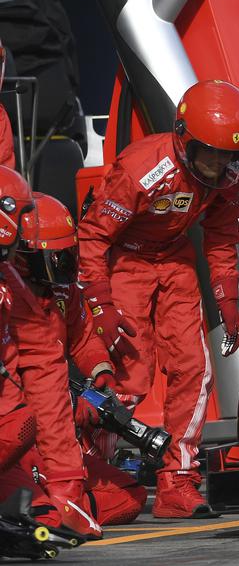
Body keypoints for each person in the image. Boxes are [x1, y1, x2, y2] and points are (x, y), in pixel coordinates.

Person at [77, 79, 239, 519]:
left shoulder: (231, 174)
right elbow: (93, 235)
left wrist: (227, 295)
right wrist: (101, 303)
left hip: (174, 259)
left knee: (195, 371)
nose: (218, 164)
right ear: (184, 138)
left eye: (229, 153)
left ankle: (178, 480)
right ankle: (90, 471)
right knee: (129, 376)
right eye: (209, 151)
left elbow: (219, 235)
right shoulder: (143, 167)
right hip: (125, 261)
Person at [8, 192, 145, 527]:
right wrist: (72, 403)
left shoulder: (64, 292)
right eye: (55, 260)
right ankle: (47, 508)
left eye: (68, 255)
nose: (64, 266)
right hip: (19, 432)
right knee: (46, 500)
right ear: (23, 257)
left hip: (57, 428)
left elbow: (83, 336)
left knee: (131, 497)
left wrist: (101, 372)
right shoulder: (8, 298)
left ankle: (63, 508)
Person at [0, 167, 98, 538]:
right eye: (22, 216)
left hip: (31, 443)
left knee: (56, 516)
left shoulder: (16, 287)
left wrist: (66, 480)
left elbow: (46, 385)